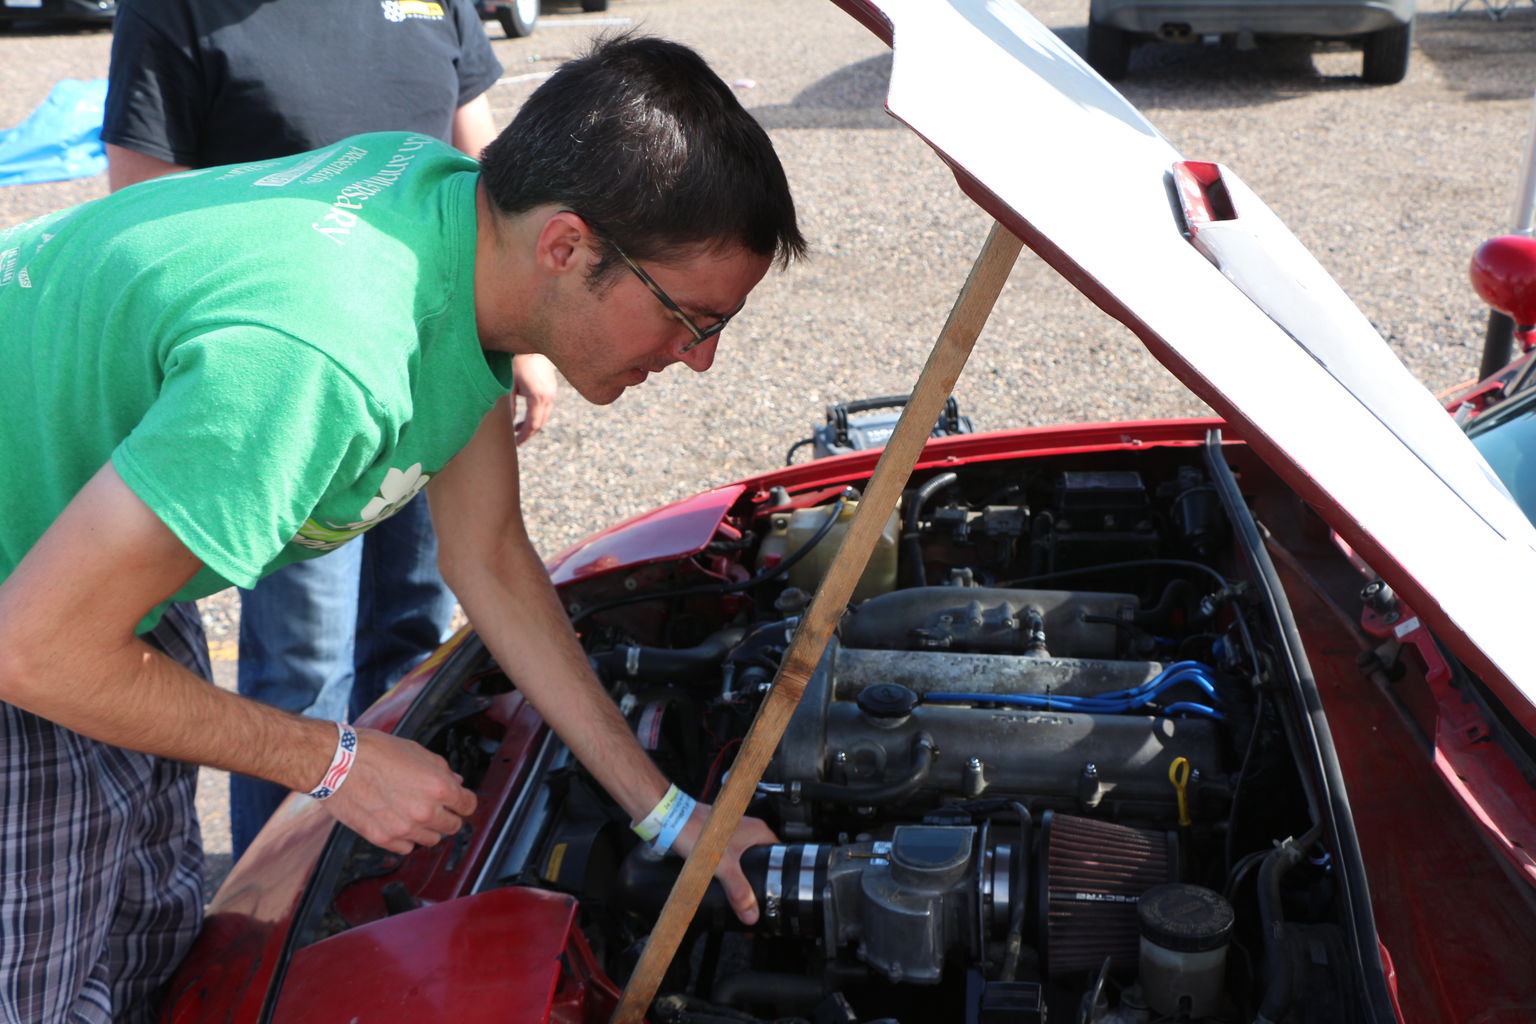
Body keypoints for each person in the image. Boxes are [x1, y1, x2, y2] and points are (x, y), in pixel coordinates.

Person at [0, 33, 805, 1024]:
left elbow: (491, 556)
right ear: (567, 244)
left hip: (77, 570)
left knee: (145, 945)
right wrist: (333, 760)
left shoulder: (459, 230)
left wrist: (673, 812)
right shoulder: (324, 356)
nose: (702, 359)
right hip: (30, 617)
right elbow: (34, 649)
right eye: (690, 316)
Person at [99, 0, 560, 859]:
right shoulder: (177, 9)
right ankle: (274, 912)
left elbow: (486, 155)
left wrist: (527, 338)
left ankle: (377, 871)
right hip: (295, 390)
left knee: (415, 639)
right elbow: (143, 212)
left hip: (434, 367)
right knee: (303, 673)